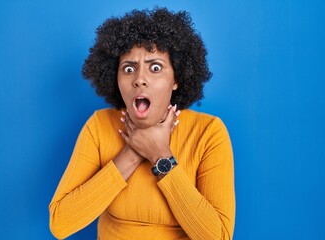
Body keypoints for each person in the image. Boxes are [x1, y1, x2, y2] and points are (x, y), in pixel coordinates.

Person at [49, 7, 235, 240]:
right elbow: (61, 223)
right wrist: (131, 153)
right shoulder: (99, 126)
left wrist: (160, 156)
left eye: (155, 67)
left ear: (176, 78)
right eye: (129, 68)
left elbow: (218, 236)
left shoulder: (208, 133)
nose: (139, 80)